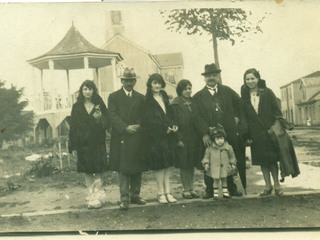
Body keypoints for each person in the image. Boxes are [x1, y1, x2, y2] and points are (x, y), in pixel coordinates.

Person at [193, 63, 245, 199]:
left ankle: (232, 188)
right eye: (209, 75)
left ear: (218, 76)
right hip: (209, 136)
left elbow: (240, 104)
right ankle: (210, 190)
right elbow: (196, 116)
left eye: (214, 75)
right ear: (204, 78)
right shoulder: (198, 96)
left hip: (227, 134)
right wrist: (204, 132)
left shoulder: (227, 91)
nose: (211, 78)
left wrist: (237, 118)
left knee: (228, 160)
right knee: (210, 161)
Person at [108, 68, 147, 210]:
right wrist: (125, 127)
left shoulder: (141, 97)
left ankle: (135, 195)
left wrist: (138, 125)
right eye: (126, 80)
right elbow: (112, 116)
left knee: (137, 166)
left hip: (137, 136)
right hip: (121, 137)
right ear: (122, 81)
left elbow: (144, 115)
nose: (129, 83)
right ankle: (124, 198)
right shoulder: (113, 97)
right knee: (123, 168)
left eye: (131, 80)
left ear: (135, 81)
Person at [240, 68, 283, 196]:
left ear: (258, 79)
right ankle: (268, 186)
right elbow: (244, 118)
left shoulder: (267, 93)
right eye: (247, 79)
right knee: (262, 161)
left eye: (253, 78)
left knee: (272, 160)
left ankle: (277, 185)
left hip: (269, 132)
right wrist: (246, 135)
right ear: (245, 81)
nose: (250, 81)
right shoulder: (244, 97)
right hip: (256, 135)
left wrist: (274, 128)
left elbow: (277, 112)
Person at [69, 80, 109, 209]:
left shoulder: (100, 104)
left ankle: (98, 197)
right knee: (87, 171)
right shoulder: (76, 107)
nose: (88, 92)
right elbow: (73, 127)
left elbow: (108, 123)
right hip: (83, 144)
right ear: (81, 91)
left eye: (90, 89)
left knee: (98, 170)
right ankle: (92, 197)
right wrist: (73, 146)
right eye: (85, 89)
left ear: (94, 91)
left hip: (97, 142)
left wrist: (100, 118)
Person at [142, 73, 178, 204]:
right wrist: (164, 129)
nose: (157, 85)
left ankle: (168, 192)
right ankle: (160, 192)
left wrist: (174, 125)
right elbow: (148, 120)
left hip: (168, 136)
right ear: (150, 85)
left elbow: (170, 114)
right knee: (159, 165)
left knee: (167, 164)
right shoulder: (147, 100)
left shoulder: (164, 96)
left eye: (159, 83)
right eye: (154, 83)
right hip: (156, 136)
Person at [171, 79, 199, 199]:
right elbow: (173, 123)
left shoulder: (193, 102)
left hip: (193, 138)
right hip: (182, 138)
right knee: (184, 164)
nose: (188, 91)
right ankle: (185, 189)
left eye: (189, 88)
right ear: (180, 90)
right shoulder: (175, 104)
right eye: (185, 89)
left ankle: (191, 187)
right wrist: (178, 139)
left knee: (191, 163)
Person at [201, 125, 237, 199]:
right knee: (215, 180)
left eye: (221, 138)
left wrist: (232, 163)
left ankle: (225, 192)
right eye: (217, 139)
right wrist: (206, 163)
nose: (220, 141)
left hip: (225, 167)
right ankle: (215, 193)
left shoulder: (228, 147)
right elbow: (206, 157)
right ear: (213, 139)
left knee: (225, 179)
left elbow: (232, 156)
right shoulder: (210, 148)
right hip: (214, 168)